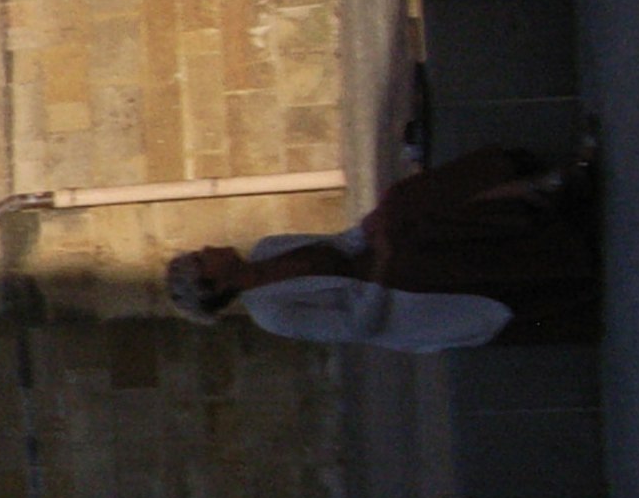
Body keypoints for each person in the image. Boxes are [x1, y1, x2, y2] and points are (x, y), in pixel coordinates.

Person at [166, 145, 598, 352]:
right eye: (203, 258)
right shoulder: (274, 313)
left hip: (375, 258)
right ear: (213, 282)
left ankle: (541, 188)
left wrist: (371, 227)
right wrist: (384, 262)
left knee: (404, 203)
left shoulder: (268, 248)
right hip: (394, 294)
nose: (210, 247)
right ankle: (551, 228)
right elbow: (360, 325)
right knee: (421, 254)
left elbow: (339, 244)